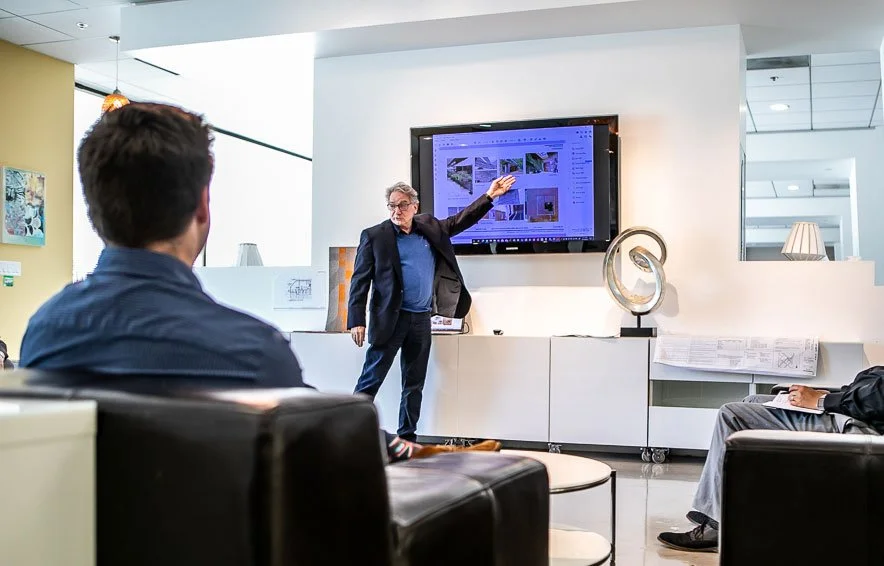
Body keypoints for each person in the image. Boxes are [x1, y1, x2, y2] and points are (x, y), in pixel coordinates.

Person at [18, 102, 497, 462]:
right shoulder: (250, 351)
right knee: (370, 384)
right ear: (203, 209)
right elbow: (329, 444)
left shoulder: (43, 334)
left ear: (94, 209)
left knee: (412, 384)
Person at [348, 177, 516, 441]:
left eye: (402, 205)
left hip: (420, 320)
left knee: (414, 385)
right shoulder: (374, 236)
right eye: (391, 206)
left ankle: (408, 439)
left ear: (415, 206)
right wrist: (356, 319)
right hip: (389, 320)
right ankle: (350, 437)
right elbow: (360, 280)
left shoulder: (429, 227)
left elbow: (461, 220)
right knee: (370, 381)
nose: (396, 211)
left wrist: (489, 196)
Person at [658, 368, 884, 552]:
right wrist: (830, 396)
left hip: (860, 426)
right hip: (852, 410)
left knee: (732, 415)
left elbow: (879, 398)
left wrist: (825, 401)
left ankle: (717, 525)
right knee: (751, 400)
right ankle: (736, 514)